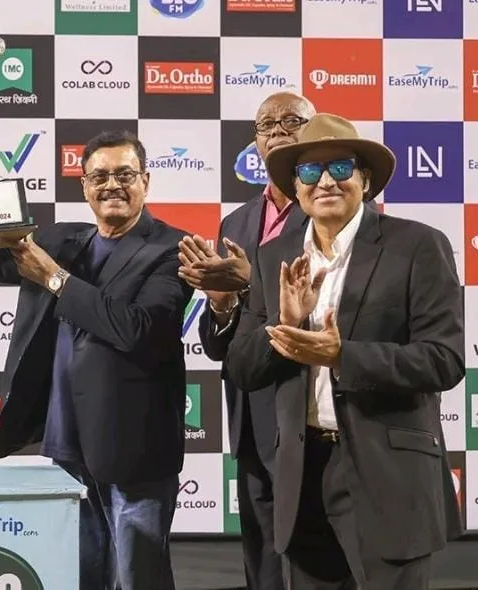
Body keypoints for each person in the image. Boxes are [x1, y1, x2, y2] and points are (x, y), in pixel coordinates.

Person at [0, 129, 192, 590]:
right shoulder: (60, 239)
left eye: (125, 174)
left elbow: (137, 328)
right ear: (84, 186)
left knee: (138, 577)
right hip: (66, 447)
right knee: (82, 574)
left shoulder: (173, 248)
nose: (112, 185)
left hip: (134, 451)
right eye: (100, 176)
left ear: (146, 181)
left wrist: (55, 279)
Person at [225, 113, 465, 589]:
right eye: (310, 171)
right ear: (296, 186)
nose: (326, 181)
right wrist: (284, 325)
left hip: (390, 478)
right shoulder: (273, 256)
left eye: (340, 167)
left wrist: (341, 356)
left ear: (365, 179)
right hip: (302, 479)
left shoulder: (418, 245)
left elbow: (444, 359)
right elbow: (242, 368)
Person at [176, 91, 315, 590]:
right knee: (261, 554)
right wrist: (220, 304)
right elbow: (223, 346)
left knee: (311, 553)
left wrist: (251, 283)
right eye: (265, 124)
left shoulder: (332, 210)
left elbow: (334, 309)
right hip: (249, 414)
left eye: (291, 120)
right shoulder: (235, 222)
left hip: (307, 409)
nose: (277, 131)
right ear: (254, 141)